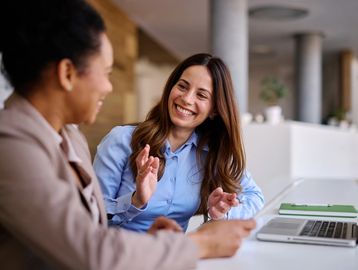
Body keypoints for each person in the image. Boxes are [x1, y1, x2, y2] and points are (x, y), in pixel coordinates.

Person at [0, 0, 256, 269]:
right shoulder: (11, 146)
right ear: (67, 73)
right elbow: (91, 251)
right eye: (106, 73)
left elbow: (93, 229)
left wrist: (152, 242)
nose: (109, 87)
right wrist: (201, 243)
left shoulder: (69, 136)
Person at [93, 53, 264, 232]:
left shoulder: (213, 152)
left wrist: (221, 214)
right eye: (182, 86)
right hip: (120, 254)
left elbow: (255, 197)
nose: (187, 99)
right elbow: (93, 214)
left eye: (201, 95)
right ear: (170, 89)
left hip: (175, 255)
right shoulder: (121, 140)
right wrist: (135, 201)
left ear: (214, 109)